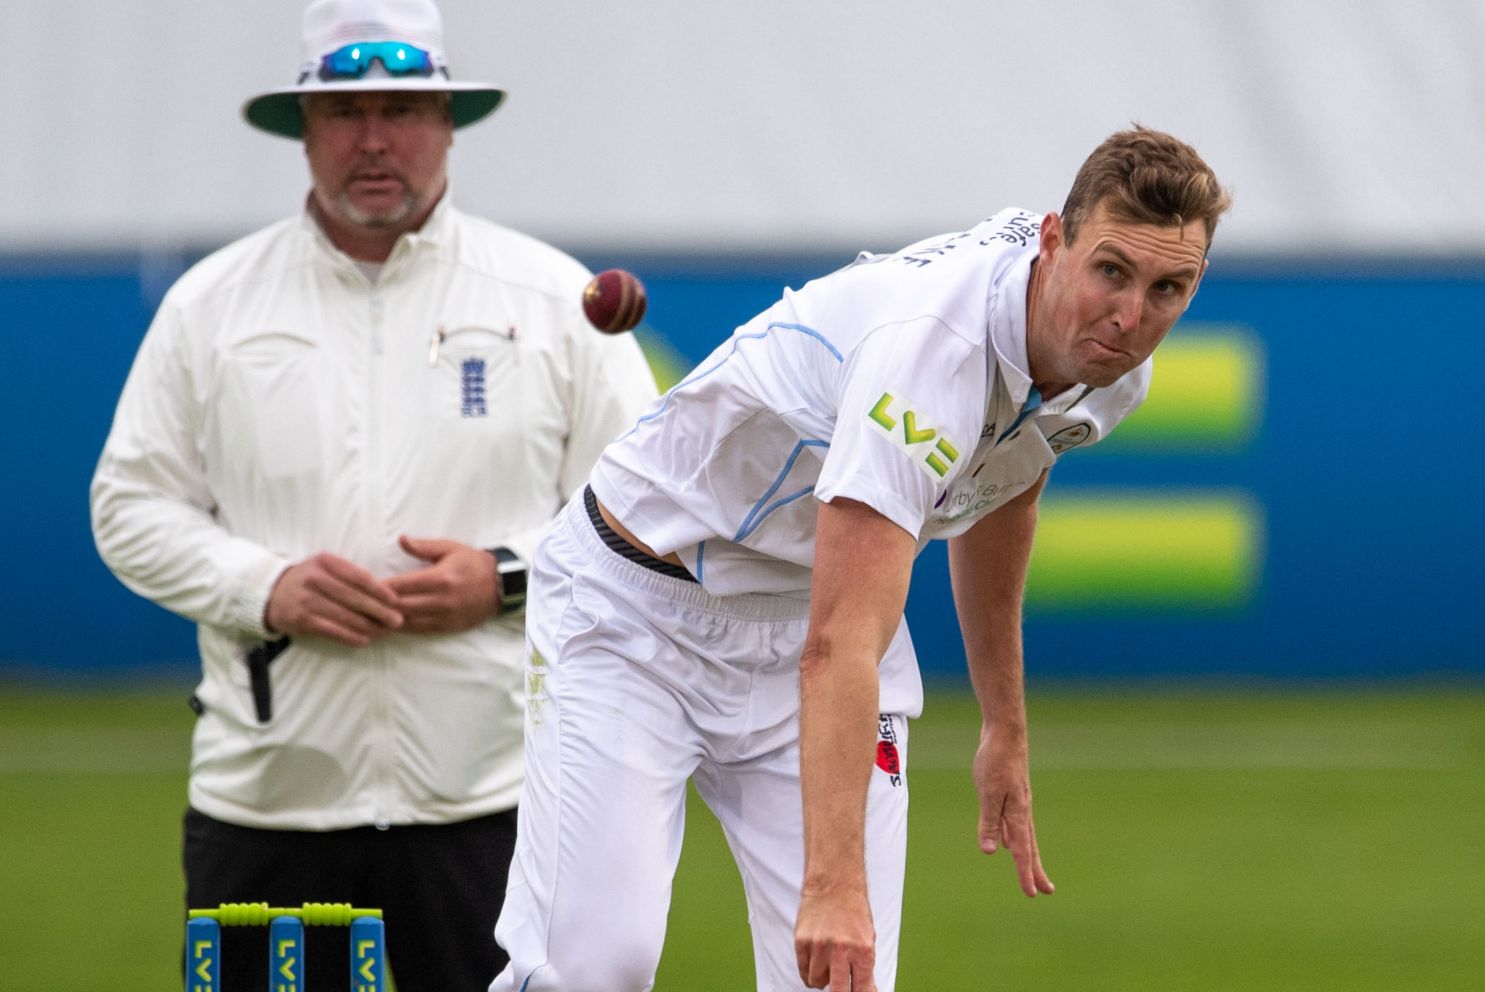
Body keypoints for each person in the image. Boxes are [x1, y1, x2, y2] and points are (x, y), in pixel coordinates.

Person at [491, 125, 1231, 992]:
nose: (1130, 316)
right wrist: (832, 886)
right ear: (1053, 240)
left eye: (1167, 288)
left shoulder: (1111, 370)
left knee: (845, 985)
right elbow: (840, 642)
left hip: (810, 618)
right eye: (1111, 271)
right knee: (591, 970)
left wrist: (1005, 726)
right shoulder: (928, 360)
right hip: (635, 610)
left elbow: (1005, 491)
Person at [89, 1, 656, 989]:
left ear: (449, 122)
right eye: (345, 111)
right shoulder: (210, 305)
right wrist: (264, 586)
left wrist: (504, 576)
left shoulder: (550, 299)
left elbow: (647, 513)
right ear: (303, 128)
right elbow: (129, 504)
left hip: (500, 802)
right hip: (267, 803)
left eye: (404, 107)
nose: (376, 138)